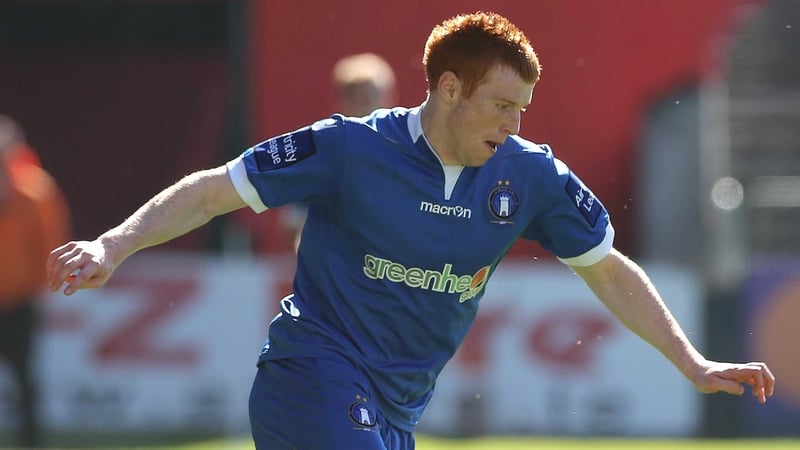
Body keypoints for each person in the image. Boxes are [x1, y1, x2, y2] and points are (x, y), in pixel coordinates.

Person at [46, 11, 774, 450]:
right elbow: (214, 191)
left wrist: (692, 362)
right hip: (312, 376)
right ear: (449, 88)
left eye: (523, 108)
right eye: (501, 105)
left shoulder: (531, 176)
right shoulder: (348, 148)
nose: (514, 123)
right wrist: (115, 243)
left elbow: (608, 268)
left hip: (394, 414)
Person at [281, 52, 398, 252]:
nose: (370, 110)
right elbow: (293, 223)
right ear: (343, 104)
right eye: (361, 100)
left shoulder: (402, 155)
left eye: (374, 98)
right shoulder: (320, 156)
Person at [1, 114, 71, 449]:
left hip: (19, 302)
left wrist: (45, 289)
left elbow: (50, 245)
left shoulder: (35, 192)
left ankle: (30, 444)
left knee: (25, 380)